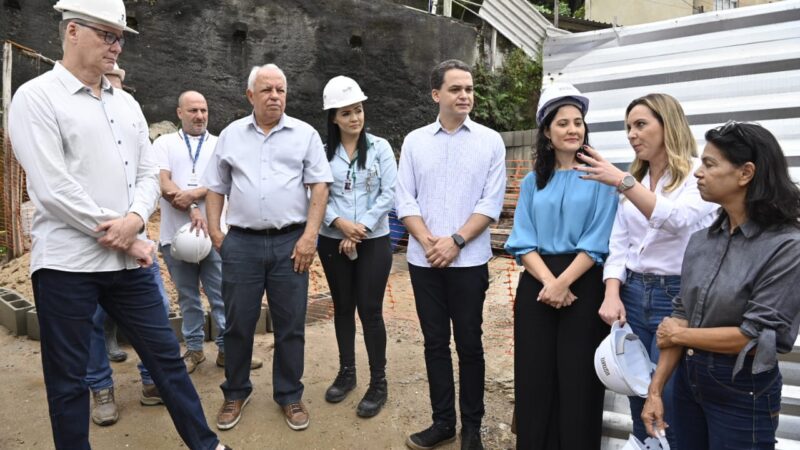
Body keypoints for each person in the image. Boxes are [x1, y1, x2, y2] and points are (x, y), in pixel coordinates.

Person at [7, 1, 228, 449]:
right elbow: (51, 187)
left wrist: (133, 221)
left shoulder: (126, 103)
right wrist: (128, 238)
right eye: (107, 34)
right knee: (69, 380)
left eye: (120, 37)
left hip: (131, 268)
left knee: (167, 360)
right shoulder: (36, 98)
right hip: (68, 266)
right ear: (72, 31)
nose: (117, 46)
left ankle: (206, 446)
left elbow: (147, 173)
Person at [641, 121, 800, 449]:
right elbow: (680, 314)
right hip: (688, 383)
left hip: (743, 392)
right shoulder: (702, 240)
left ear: (746, 173)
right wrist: (656, 392)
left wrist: (680, 335)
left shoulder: (786, 246)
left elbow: (757, 338)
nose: (698, 172)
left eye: (710, 164)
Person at [575, 93, 717, 447]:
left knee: (669, 398)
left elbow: (678, 220)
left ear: (668, 124)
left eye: (641, 124)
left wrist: (623, 182)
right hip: (634, 293)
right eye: (628, 127)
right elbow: (619, 246)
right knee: (637, 392)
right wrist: (612, 293)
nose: (632, 134)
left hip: (679, 297)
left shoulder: (697, 175)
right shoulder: (634, 181)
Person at [203, 63, 332, 432]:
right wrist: (215, 232)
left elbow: (320, 186)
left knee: (291, 324)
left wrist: (310, 237)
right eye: (267, 90)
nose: (275, 96)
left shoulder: (304, 134)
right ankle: (236, 391)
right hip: (240, 243)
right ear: (250, 96)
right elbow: (216, 187)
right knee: (239, 322)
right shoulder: (231, 135)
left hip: (291, 243)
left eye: (280, 90)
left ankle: (290, 394)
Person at [396, 59, 506, 450]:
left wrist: (455, 241)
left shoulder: (490, 141)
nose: (465, 96)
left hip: (469, 261)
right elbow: (404, 197)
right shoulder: (414, 141)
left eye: (469, 89)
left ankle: (472, 427)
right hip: (424, 261)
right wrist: (428, 241)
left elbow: (491, 202)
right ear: (436, 94)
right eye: (456, 89)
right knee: (434, 343)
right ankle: (443, 422)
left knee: (470, 345)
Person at [505, 82, 618, 450]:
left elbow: (599, 239)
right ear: (547, 133)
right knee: (534, 377)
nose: (573, 130)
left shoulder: (601, 178)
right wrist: (550, 283)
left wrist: (563, 282)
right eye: (563, 123)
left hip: (584, 285)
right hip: (537, 282)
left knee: (578, 380)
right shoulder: (531, 181)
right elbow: (522, 239)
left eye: (578, 122)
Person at [83, 62, 176, 427]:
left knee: (158, 309)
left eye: (116, 85)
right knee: (92, 320)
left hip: (139, 244)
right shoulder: (82, 127)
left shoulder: (132, 124)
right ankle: (101, 388)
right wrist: (116, 231)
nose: (110, 90)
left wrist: (135, 223)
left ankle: (152, 382)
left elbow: (149, 178)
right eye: (105, 85)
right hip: (91, 246)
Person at [154, 90, 263, 374]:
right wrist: (190, 205)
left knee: (222, 296)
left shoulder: (219, 143)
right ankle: (194, 349)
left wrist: (195, 194)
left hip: (216, 235)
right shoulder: (164, 143)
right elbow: (163, 183)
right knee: (187, 297)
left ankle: (229, 351)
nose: (200, 116)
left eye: (203, 110)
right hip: (174, 236)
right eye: (192, 110)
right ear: (179, 113)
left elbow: (227, 182)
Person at [318, 76, 397, 417]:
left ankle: (378, 382)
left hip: (374, 241)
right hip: (333, 240)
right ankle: (347, 372)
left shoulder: (380, 148)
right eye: (346, 112)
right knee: (343, 306)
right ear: (333, 117)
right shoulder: (323, 154)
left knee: (370, 309)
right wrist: (339, 224)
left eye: (359, 110)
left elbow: (389, 194)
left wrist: (359, 227)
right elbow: (316, 193)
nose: (355, 118)